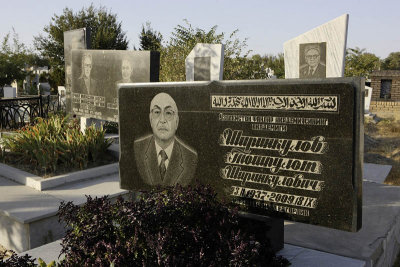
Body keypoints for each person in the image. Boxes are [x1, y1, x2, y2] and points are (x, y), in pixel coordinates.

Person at [134, 92, 198, 187]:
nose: (162, 120)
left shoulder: (190, 157)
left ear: (177, 121)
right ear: (150, 119)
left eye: (168, 113)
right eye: (157, 112)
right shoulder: (138, 147)